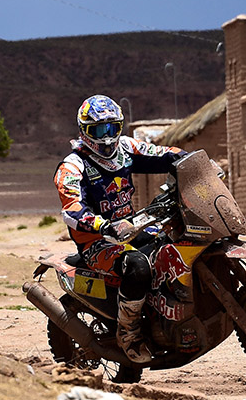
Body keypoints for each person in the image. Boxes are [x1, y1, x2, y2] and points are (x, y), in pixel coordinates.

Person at [53, 94, 187, 363]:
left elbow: (162, 154)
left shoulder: (126, 148)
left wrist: (194, 160)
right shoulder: (73, 165)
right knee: (137, 266)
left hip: (132, 226)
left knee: (176, 243)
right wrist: (104, 226)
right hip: (97, 241)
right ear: (84, 130)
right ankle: (129, 332)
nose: (106, 137)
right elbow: (72, 210)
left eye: (112, 128)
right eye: (98, 130)